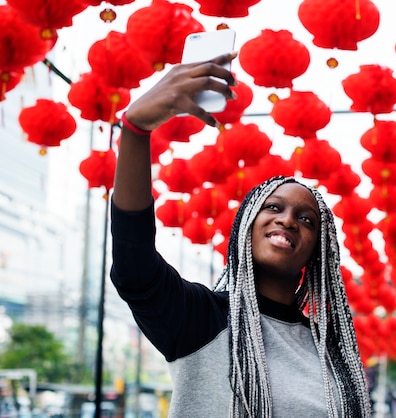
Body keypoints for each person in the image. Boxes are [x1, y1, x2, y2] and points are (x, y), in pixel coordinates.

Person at [109, 51, 371, 417]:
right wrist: (136, 130)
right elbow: (134, 262)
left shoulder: (328, 346)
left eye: (306, 219)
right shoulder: (203, 318)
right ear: (246, 228)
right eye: (274, 207)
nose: (288, 221)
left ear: (317, 251)